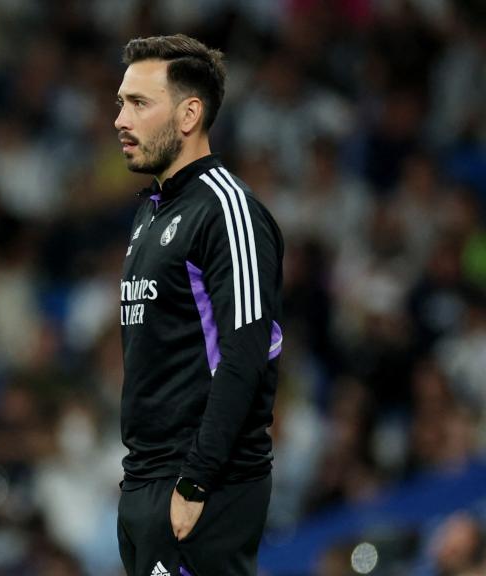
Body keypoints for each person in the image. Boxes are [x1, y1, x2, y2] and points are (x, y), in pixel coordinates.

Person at [113, 35, 283, 576]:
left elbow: (246, 359)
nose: (120, 118)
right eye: (120, 102)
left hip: (202, 486)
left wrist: (196, 480)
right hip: (145, 479)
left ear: (190, 114)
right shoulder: (151, 214)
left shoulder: (228, 211)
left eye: (138, 103)